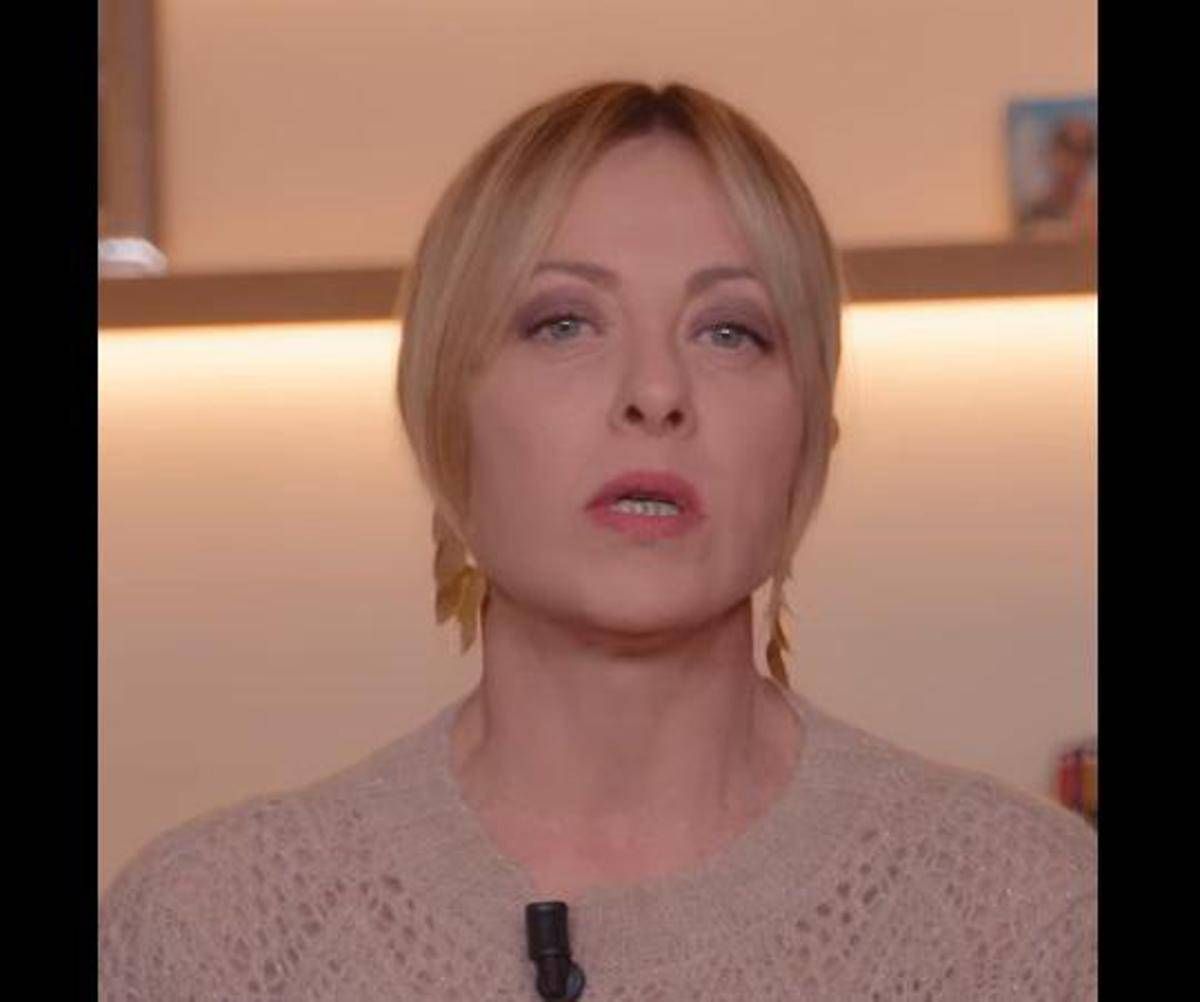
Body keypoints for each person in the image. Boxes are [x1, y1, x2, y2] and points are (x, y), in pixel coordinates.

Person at [100, 81, 1097, 1000]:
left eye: (730, 331)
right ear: (440, 416)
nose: (655, 392)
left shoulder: (1028, 919)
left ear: (810, 443)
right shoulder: (211, 933)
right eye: (564, 323)